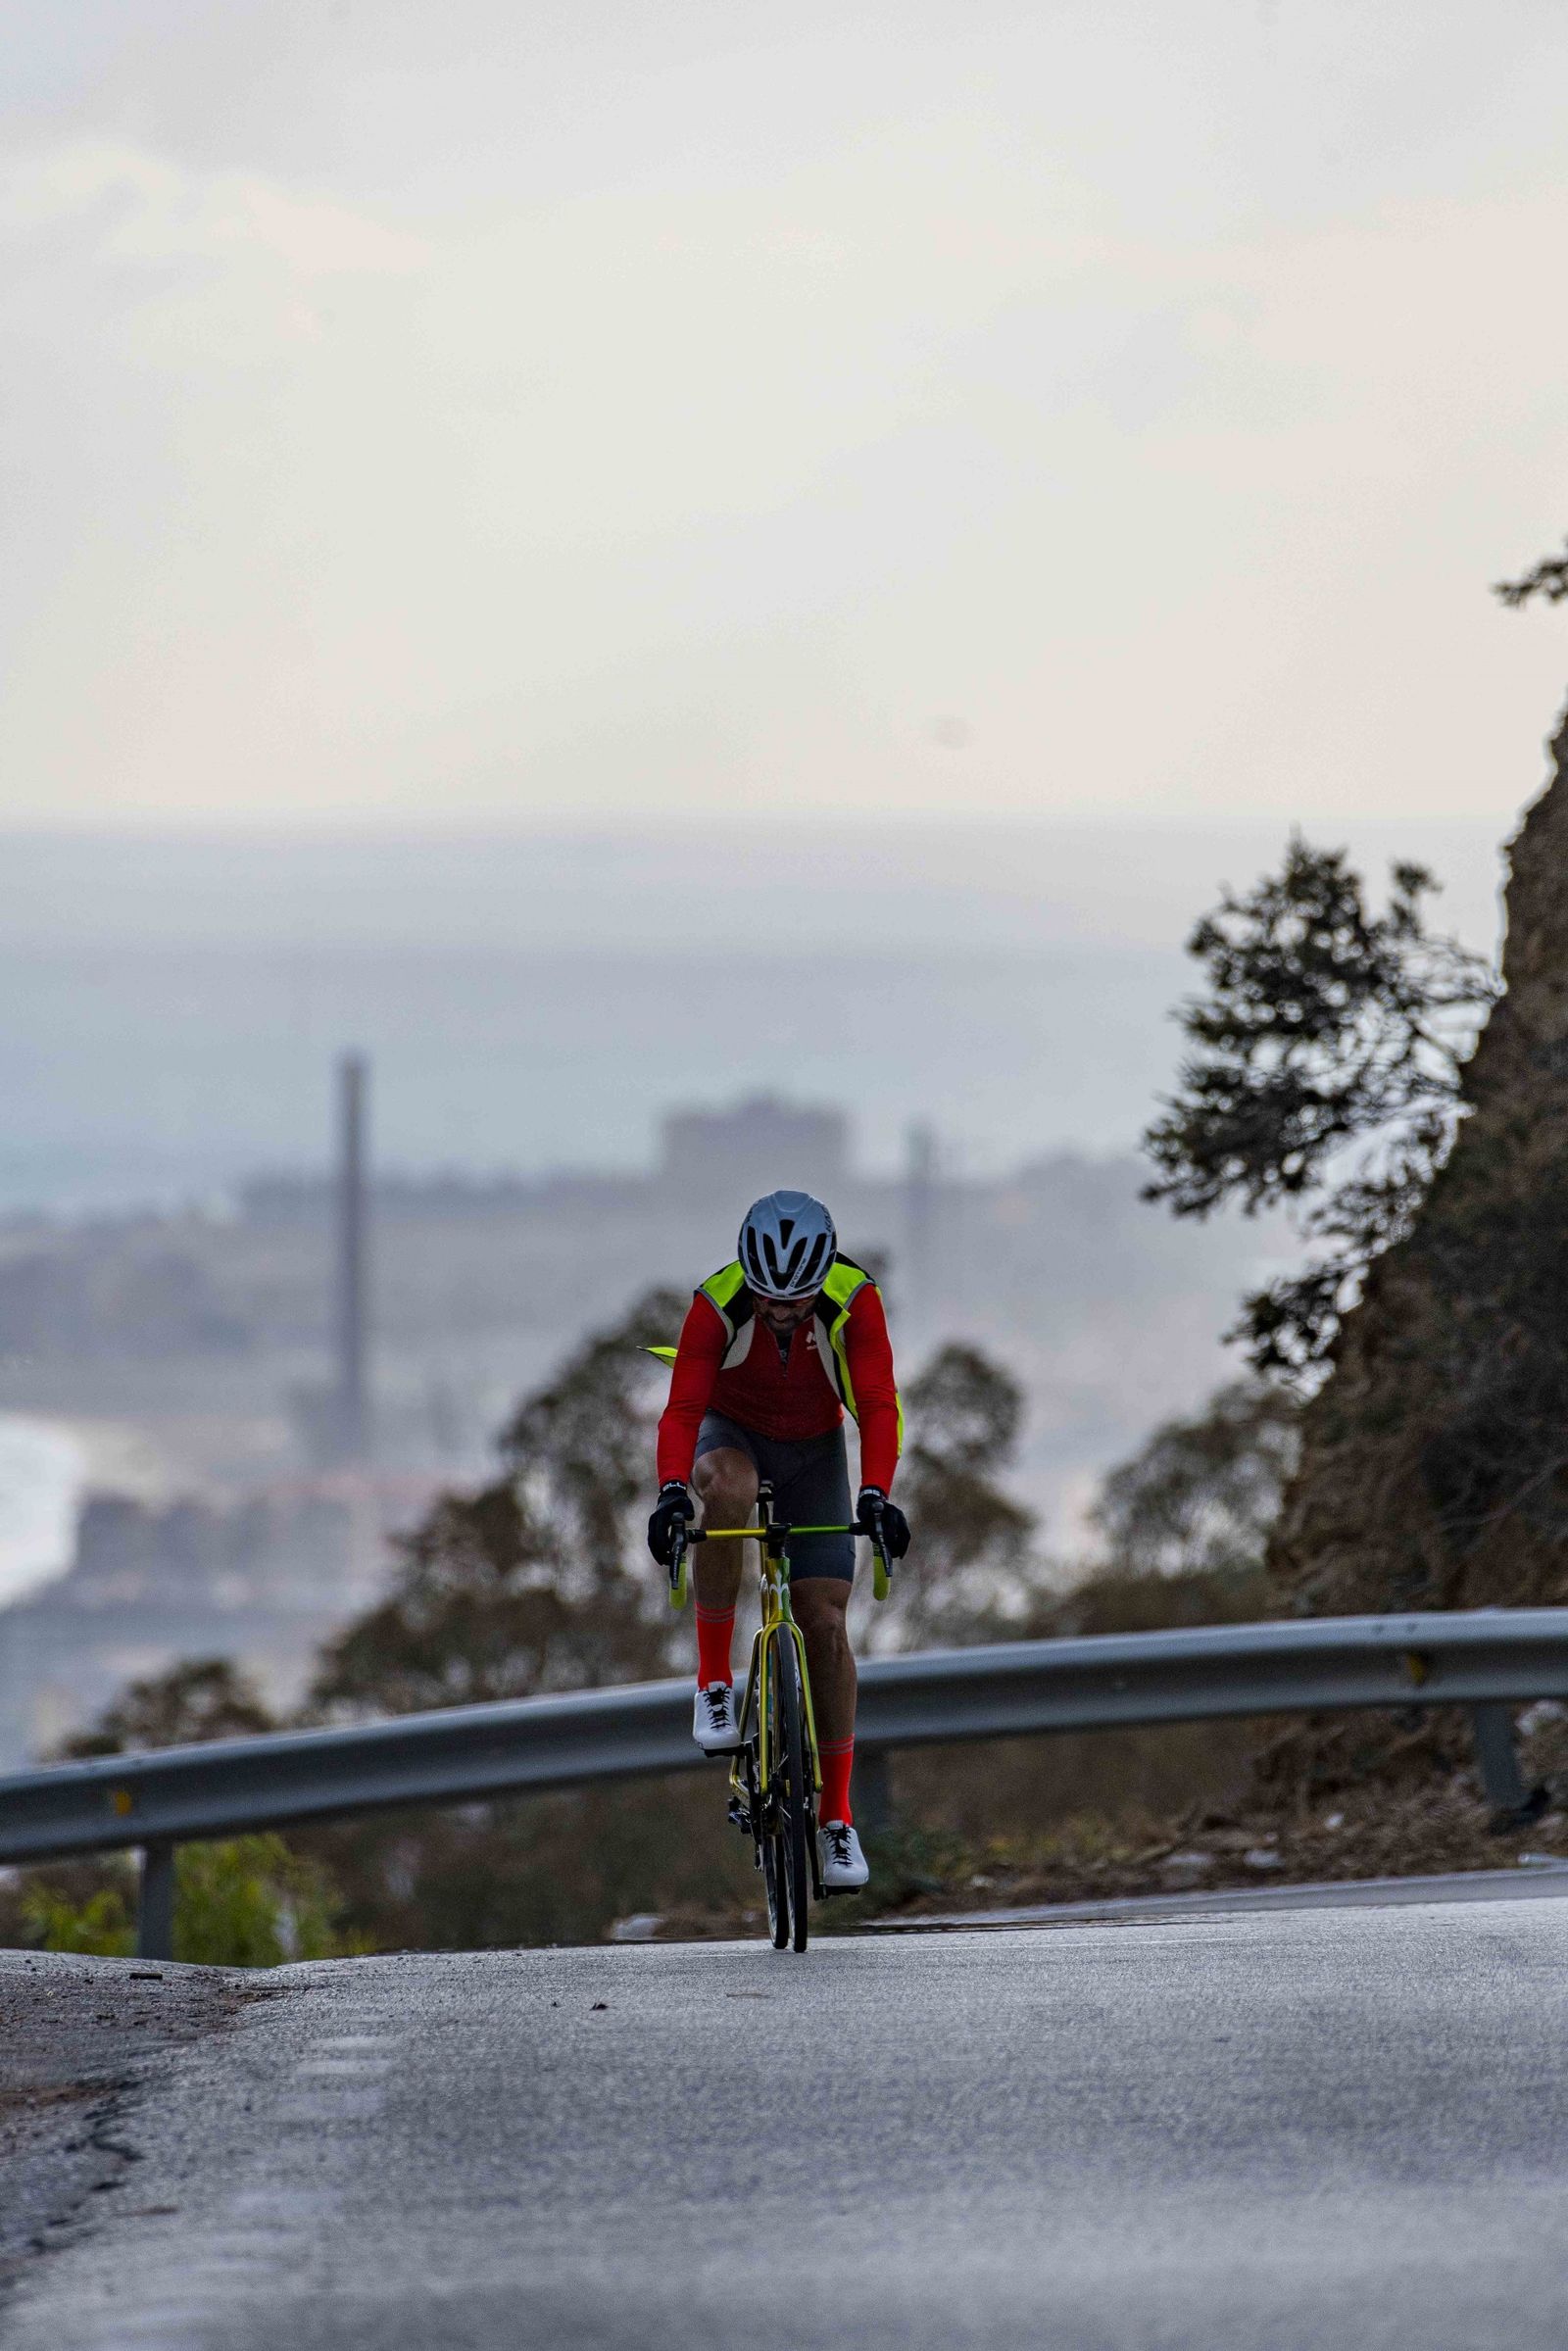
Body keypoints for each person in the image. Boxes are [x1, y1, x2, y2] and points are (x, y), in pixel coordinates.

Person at [646, 1190, 909, 1890]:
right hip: (731, 1436)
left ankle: (836, 1819)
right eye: (768, 1300)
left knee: (825, 1621)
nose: (781, 1313)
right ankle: (712, 1684)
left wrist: (876, 1494)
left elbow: (879, 1405)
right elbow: (681, 1411)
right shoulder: (716, 1303)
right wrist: (673, 1489)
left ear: (820, 1282)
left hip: (816, 1451)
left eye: (795, 1302)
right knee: (727, 1492)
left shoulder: (855, 1303)